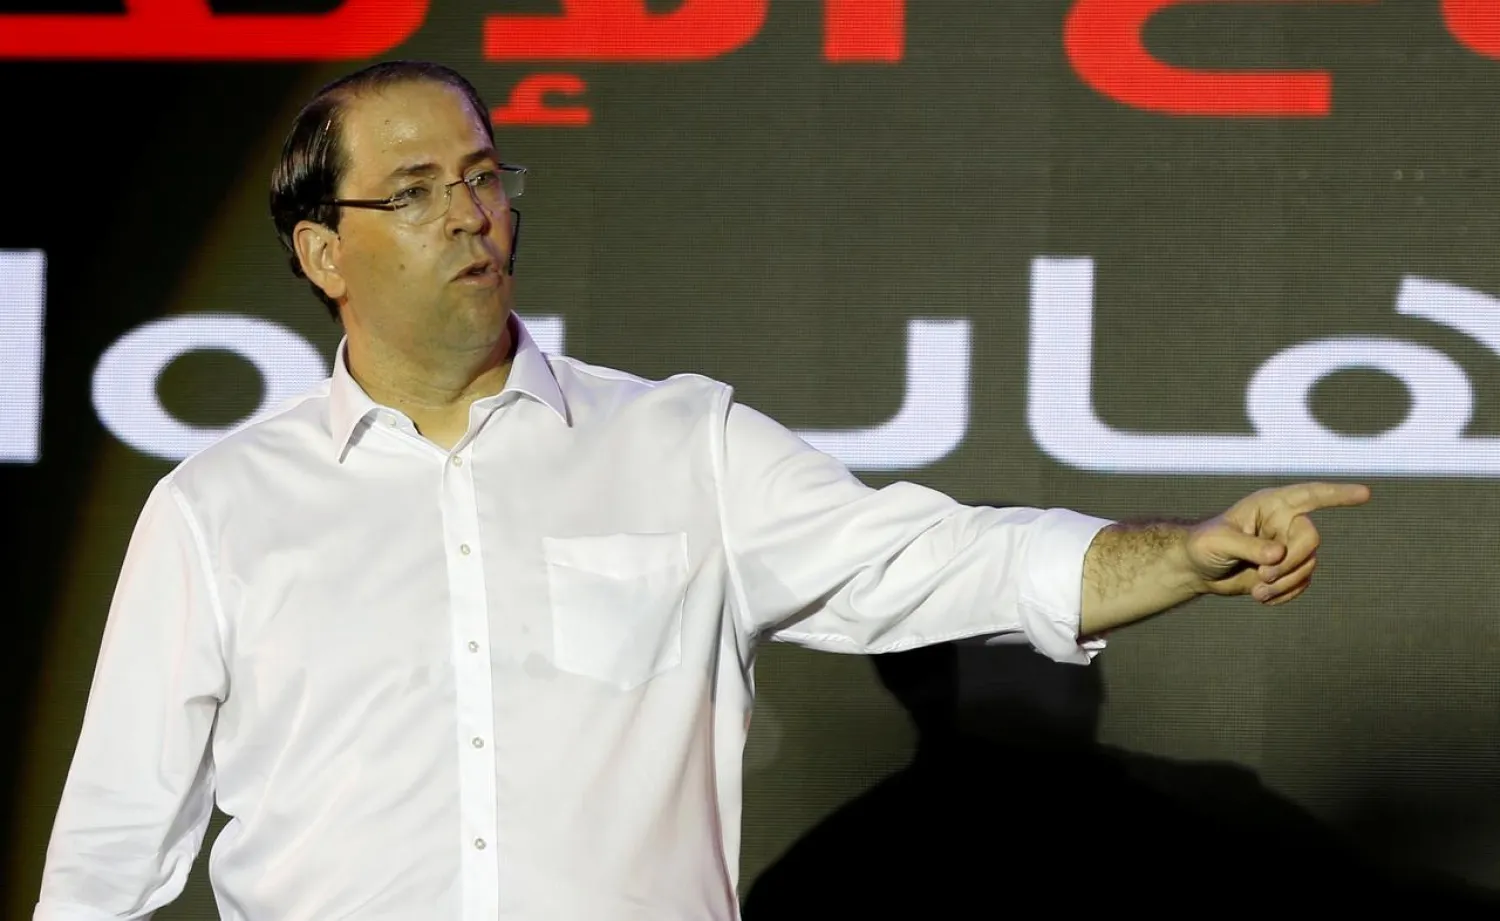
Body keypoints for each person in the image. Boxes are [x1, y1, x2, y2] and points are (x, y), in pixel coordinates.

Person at [32, 60, 1369, 921]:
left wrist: (1188, 552)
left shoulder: (682, 445)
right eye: (420, 190)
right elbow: (106, 860)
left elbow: (944, 559)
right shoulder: (220, 509)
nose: (472, 213)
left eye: (488, 176)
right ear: (325, 250)